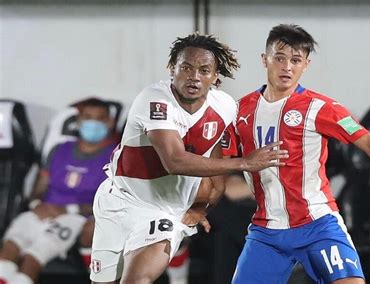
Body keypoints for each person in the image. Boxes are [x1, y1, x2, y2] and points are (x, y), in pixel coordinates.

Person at [223, 24, 370, 284]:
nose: (287, 67)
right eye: (279, 58)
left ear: (306, 64)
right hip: (266, 230)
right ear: (264, 59)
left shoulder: (322, 108)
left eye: (296, 60)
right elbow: (219, 162)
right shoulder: (239, 110)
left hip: (317, 224)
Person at [89, 33, 288, 284]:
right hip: (118, 199)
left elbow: (216, 161)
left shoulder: (224, 106)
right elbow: (174, 161)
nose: (194, 76)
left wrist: (203, 205)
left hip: (165, 211)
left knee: (136, 280)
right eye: (186, 67)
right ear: (172, 69)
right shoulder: (156, 100)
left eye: (204, 70)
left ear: (216, 77)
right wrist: (245, 163)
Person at [0, 98, 117, 284]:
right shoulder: (60, 150)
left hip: (76, 218)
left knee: (32, 257)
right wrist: (37, 204)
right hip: (43, 210)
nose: (92, 123)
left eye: (99, 118)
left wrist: (67, 210)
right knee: (8, 251)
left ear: (109, 122)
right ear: (78, 121)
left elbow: (111, 200)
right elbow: (39, 186)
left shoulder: (115, 156)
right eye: (88, 117)